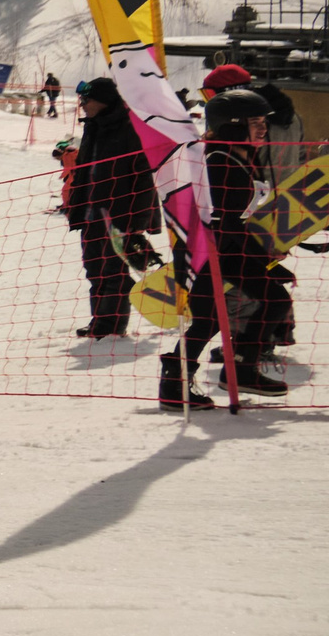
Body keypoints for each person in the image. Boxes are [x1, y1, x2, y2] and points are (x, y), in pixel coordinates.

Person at [171, 85, 294, 406]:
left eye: (263, 121)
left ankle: (241, 367)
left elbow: (240, 222)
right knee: (208, 318)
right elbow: (225, 223)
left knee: (273, 300)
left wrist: (268, 252)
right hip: (208, 253)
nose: (263, 127)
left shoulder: (241, 158)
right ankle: (175, 384)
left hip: (228, 251)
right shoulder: (220, 162)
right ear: (234, 125)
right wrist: (265, 256)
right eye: (255, 122)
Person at [69, 77, 156, 339]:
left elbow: (144, 177)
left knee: (114, 270)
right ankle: (100, 320)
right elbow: (83, 172)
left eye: (86, 100)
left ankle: (112, 324)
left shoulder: (130, 128)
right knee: (94, 267)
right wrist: (75, 207)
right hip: (91, 212)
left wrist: (138, 221)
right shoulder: (93, 127)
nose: (82, 105)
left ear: (103, 101)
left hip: (118, 214)